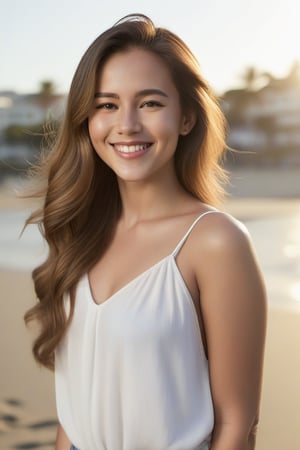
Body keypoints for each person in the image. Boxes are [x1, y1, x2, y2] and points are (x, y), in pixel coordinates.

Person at [24, 13, 267, 450]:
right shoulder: (79, 233)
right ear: (87, 119)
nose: (127, 125)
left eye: (150, 103)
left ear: (187, 117)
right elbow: (74, 414)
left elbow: (237, 424)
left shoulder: (215, 242)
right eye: (107, 105)